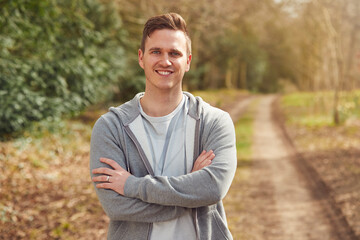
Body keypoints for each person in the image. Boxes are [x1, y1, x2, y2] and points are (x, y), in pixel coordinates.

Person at [90, 13, 237, 240]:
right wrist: (190, 195)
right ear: (141, 58)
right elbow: (116, 206)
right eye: (156, 51)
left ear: (188, 61)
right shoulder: (111, 127)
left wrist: (133, 186)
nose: (165, 61)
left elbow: (213, 188)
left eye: (175, 53)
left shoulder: (214, 121)